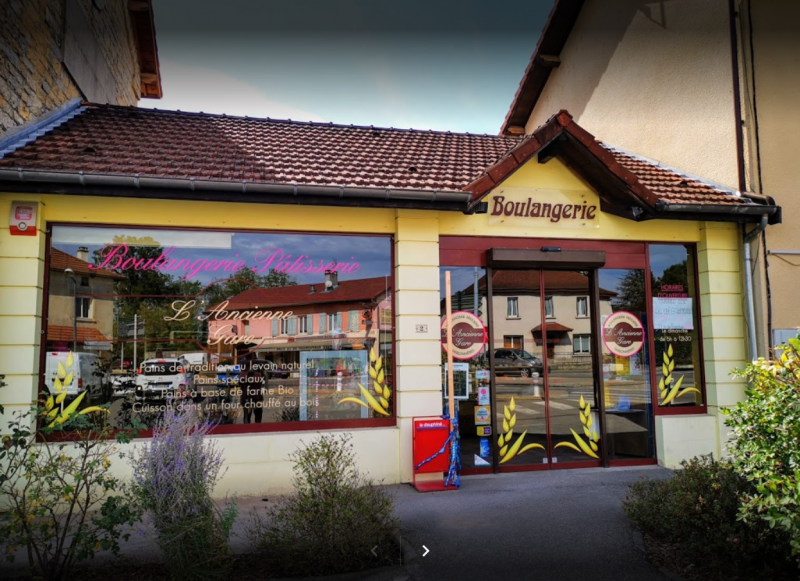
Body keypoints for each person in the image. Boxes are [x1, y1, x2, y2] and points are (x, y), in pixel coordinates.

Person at [240, 358, 266, 424]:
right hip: (251, 397)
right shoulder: (257, 374)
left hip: (250, 397)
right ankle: (253, 429)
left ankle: (250, 429)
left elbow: (241, 384)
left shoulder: (244, 373)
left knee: (249, 416)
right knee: (253, 416)